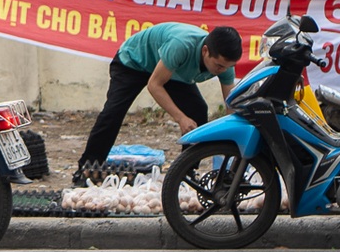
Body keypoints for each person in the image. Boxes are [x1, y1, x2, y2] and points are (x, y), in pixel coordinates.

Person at [76, 22, 243, 184]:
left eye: (227, 67)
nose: (222, 70)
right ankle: (88, 167)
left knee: (198, 110)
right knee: (113, 113)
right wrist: (180, 118)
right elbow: (154, 85)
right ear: (205, 51)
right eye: (219, 65)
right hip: (134, 62)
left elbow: (230, 104)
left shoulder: (226, 65)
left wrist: (232, 134)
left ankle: (187, 171)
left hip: (172, 71)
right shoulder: (181, 45)